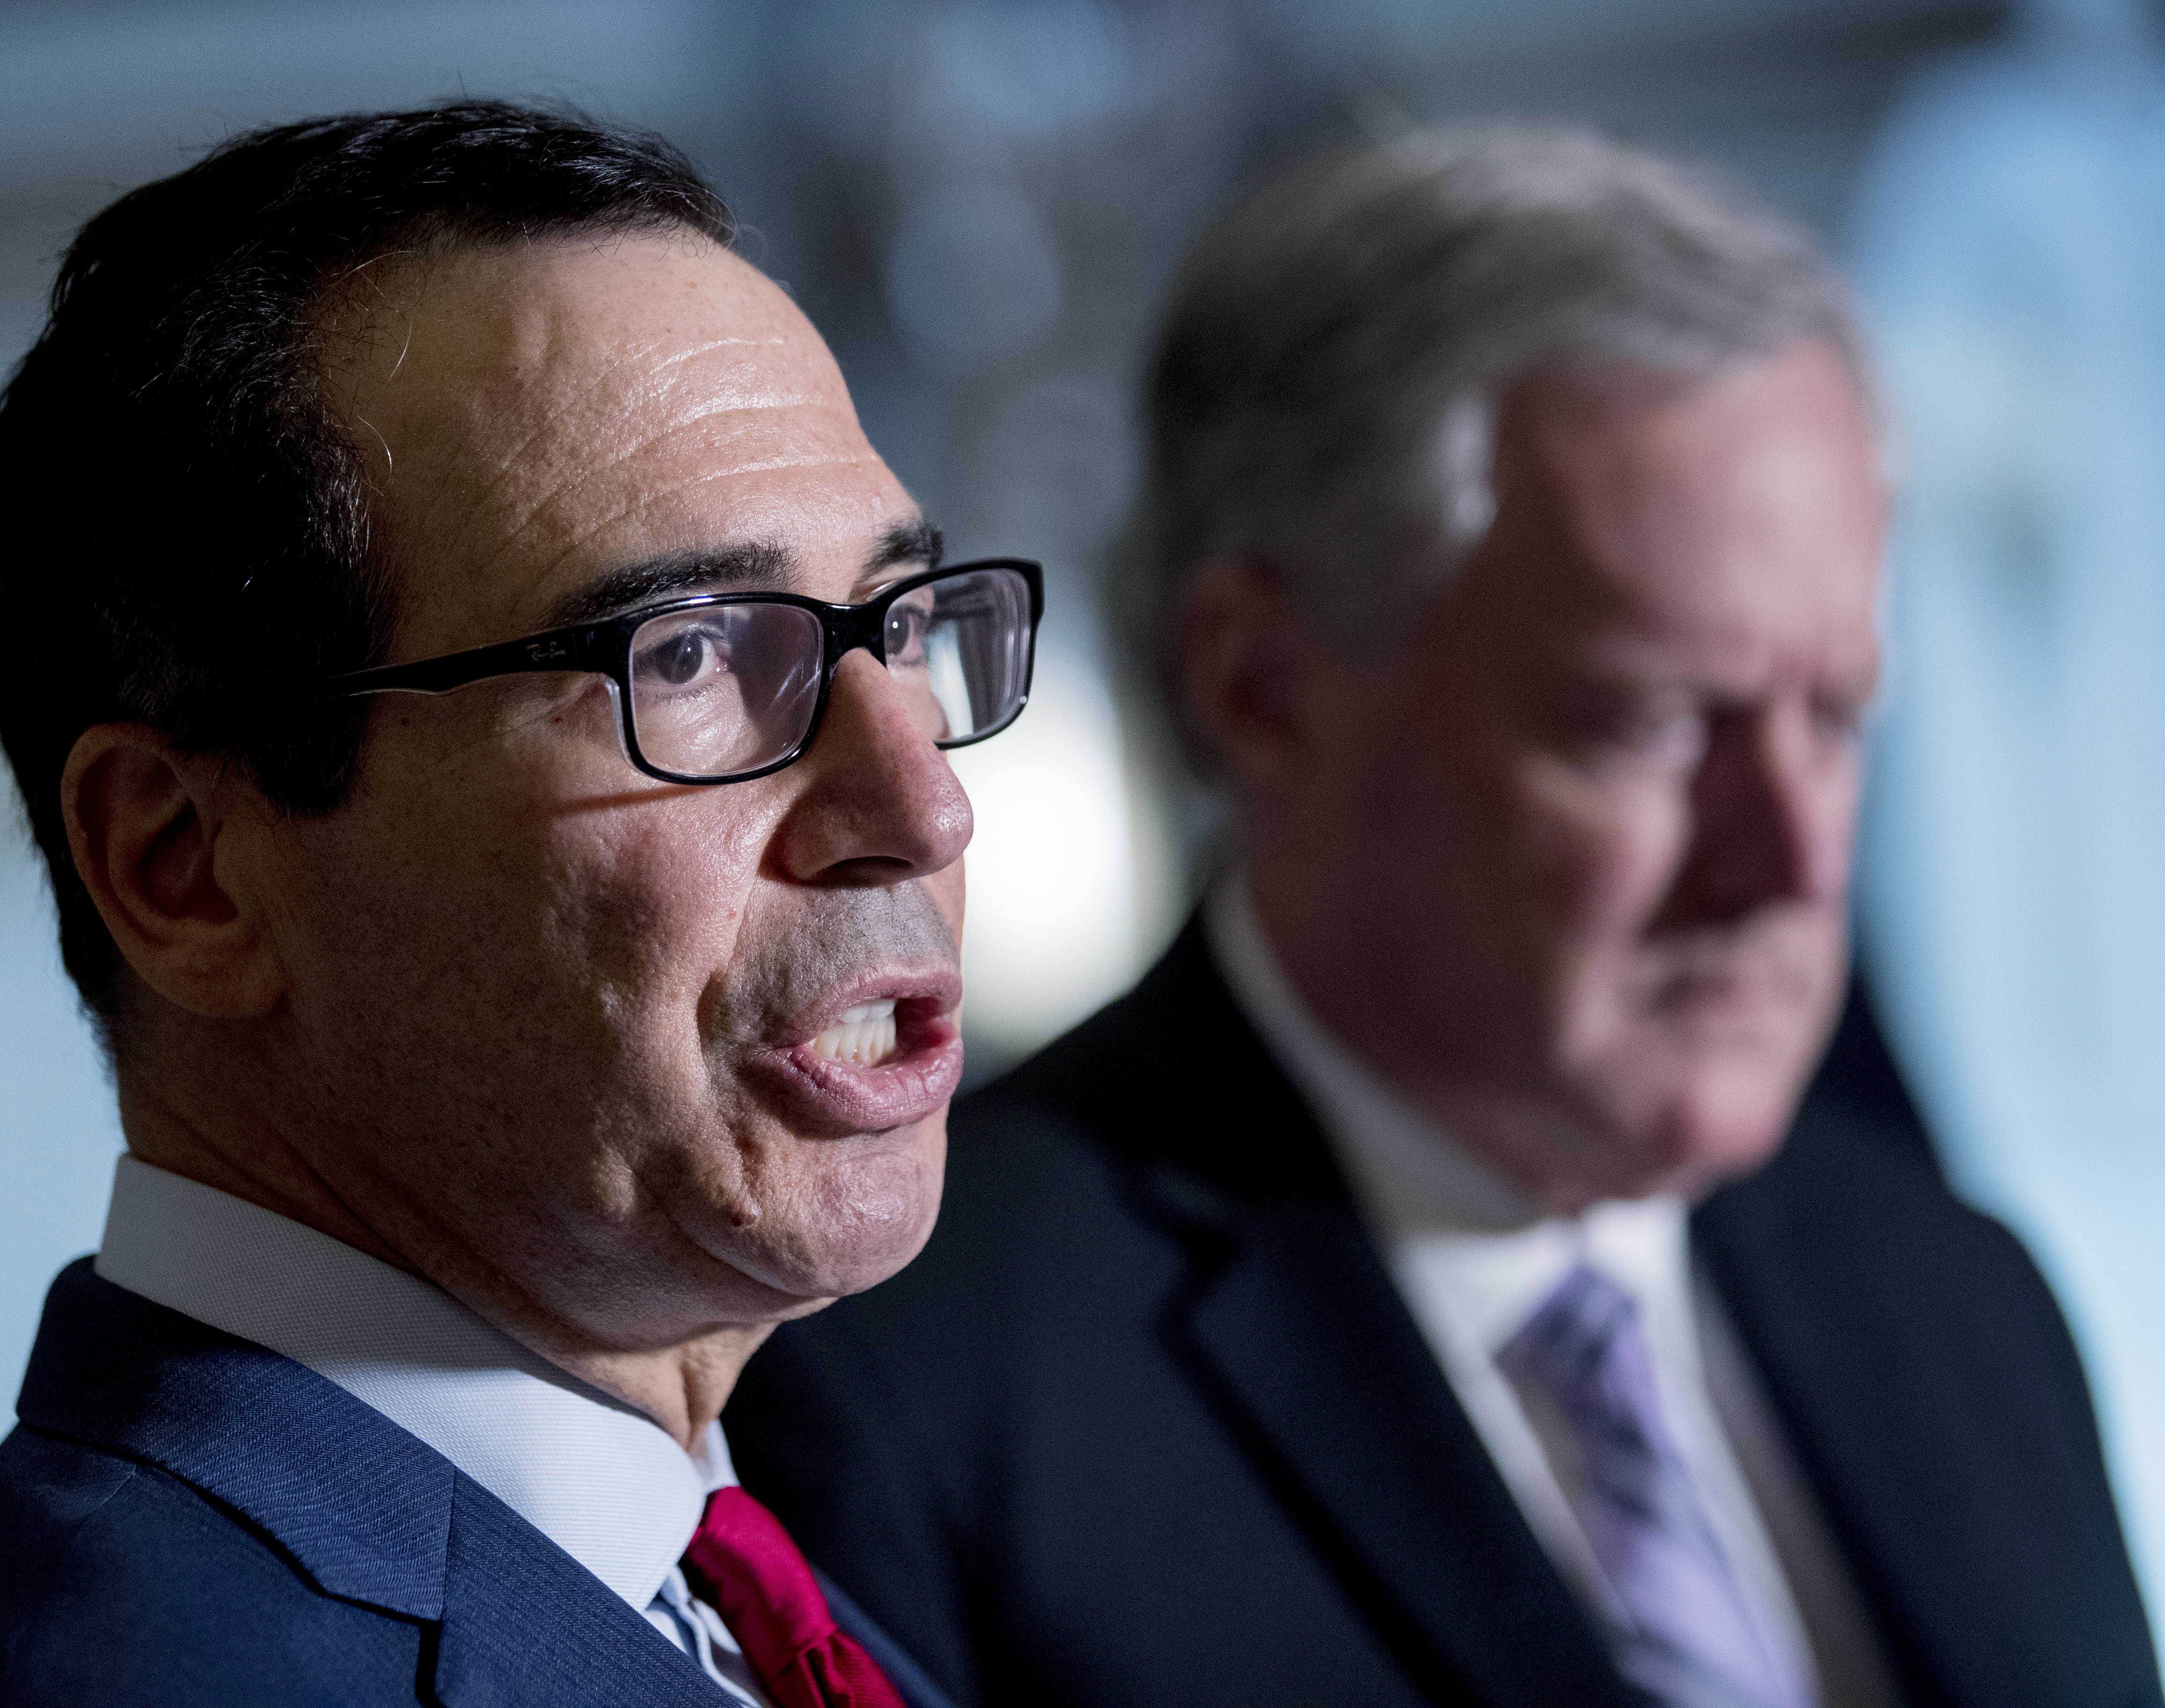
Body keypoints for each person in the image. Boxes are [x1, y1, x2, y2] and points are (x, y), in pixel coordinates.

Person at [724, 126, 2161, 1708]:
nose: (1796, 860)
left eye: (1836, 717)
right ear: (1261, 688)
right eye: (1655, 725)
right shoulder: (907, 1387)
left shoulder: (1954, 1287)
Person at [0, 101, 1043, 1707]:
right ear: (185, 869)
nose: (924, 806)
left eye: (894, 629)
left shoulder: (721, 1574)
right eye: (685, 654)